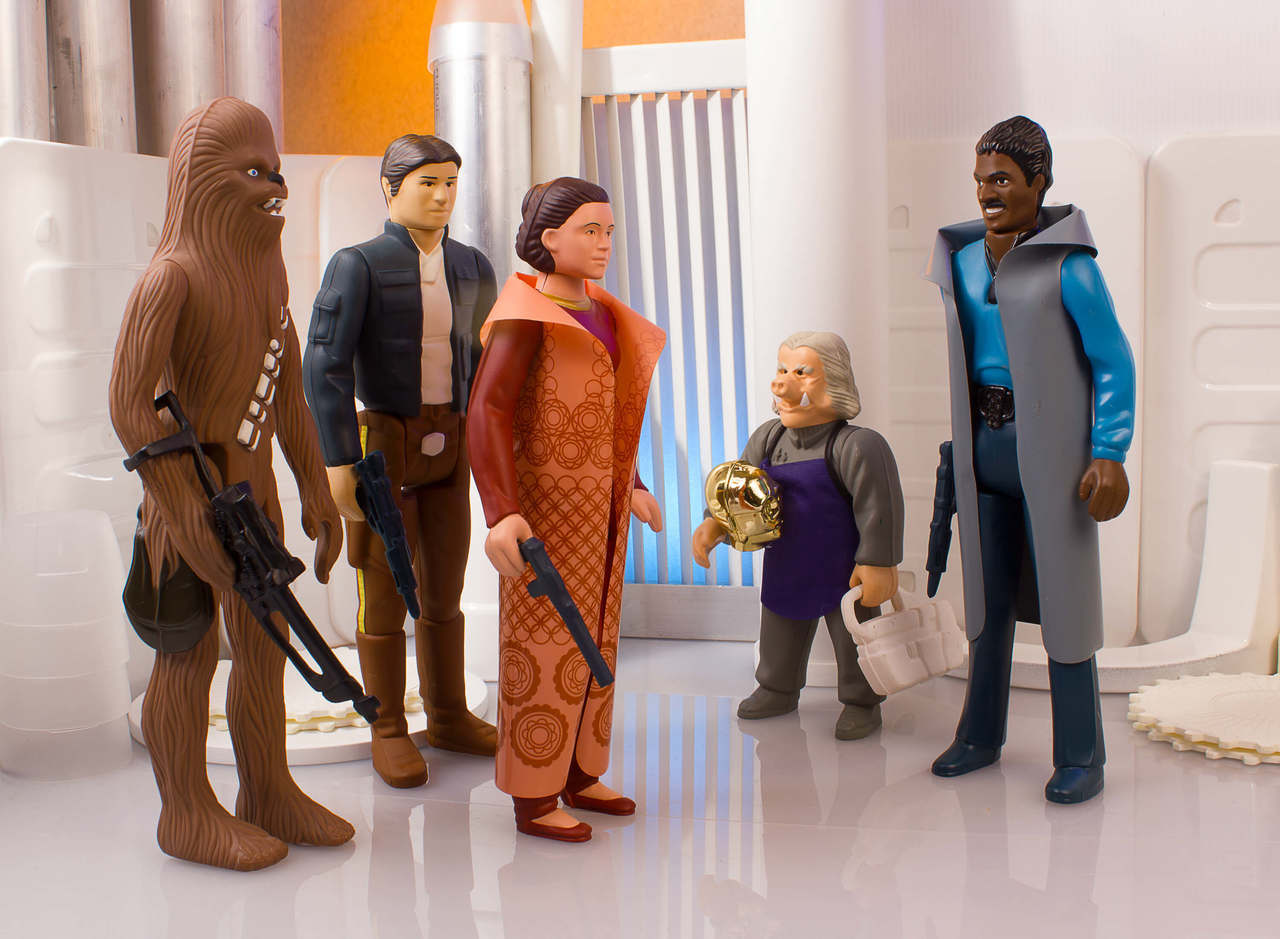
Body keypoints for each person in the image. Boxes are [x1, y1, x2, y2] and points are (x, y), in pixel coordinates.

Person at [110, 97, 348, 870]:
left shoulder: (266, 272)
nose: (276, 186)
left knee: (265, 646)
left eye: (275, 170)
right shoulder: (171, 279)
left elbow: (287, 392)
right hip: (185, 506)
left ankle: (268, 790)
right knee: (185, 653)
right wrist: (184, 513)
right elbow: (128, 404)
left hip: (257, 503)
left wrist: (315, 487)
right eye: (253, 173)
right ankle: (185, 811)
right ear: (203, 181)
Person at [924, 115, 1136, 804]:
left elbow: (1113, 360)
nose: (988, 192)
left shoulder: (1069, 267)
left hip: (1052, 456)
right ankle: (980, 734)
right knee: (986, 602)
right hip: (983, 450)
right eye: (980, 180)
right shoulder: (961, 261)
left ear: (1038, 183)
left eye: (1003, 179)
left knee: (1066, 608)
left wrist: (1110, 449)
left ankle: (1081, 753)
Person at [467, 176, 666, 842]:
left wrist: (632, 482)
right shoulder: (526, 315)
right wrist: (500, 509)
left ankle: (581, 771)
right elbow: (488, 411)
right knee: (545, 642)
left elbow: (615, 414)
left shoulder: (604, 312)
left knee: (597, 638)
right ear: (550, 238)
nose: (604, 243)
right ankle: (534, 795)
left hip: (601, 513)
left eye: (609, 230)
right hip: (546, 511)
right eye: (590, 230)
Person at [303, 134, 497, 789]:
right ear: (390, 188)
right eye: (426, 182)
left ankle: (448, 713)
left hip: (453, 440)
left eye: (449, 183)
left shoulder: (472, 265)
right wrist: (338, 460)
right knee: (383, 589)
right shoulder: (357, 264)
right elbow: (324, 366)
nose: (442, 196)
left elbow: (487, 363)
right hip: (384, 442)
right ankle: (386, 725)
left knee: (444, 588)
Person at [692, 331, 904, 740]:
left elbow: (879, 508)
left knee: (855, 637)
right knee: (779, 626)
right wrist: (716, 523)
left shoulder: (857, 445)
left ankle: (862, 701)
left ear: (835, 382)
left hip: (845, 571)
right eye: (782, 370)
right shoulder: (768, 438)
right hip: (786, 562)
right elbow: (739, 489)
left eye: (802, 373)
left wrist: (878, 561)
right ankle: (777, 688)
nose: (783, 383)